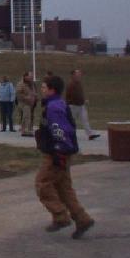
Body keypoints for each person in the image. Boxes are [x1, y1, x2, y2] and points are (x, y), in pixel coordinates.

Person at [35, 74, 95, 239]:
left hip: (56, 153)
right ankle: (82, 219)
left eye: (44, 87)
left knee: (42, 184)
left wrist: (59, 150)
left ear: (52, 90)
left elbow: (60, 129)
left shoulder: (54, 107)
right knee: (64, 189)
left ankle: (60, 216)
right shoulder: (57, 104)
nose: (42, 89)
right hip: (62, 152)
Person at [65, 69, 100, 140]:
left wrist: (83, 100)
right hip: (73, 106)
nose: (79, 76)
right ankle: (68, 134)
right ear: (73, 76)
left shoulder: (79, 84)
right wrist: (83, 101)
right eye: (77, 74)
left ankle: (90, 134)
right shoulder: (71, 85)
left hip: (81, 106)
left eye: (79, 74)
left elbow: (80, 95)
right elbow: (73, 96)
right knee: (71, 121)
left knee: (85, 120)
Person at [16, 72, 37, 136]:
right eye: (30, 76)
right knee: (26, 116)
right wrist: (26, 97)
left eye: (32, 77)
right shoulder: (21, 84)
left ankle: (26, 129)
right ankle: (25, 130)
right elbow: (18, 94)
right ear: (25, 77)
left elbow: (33, 91)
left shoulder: (32, 84)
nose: (31, 78)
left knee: (29, 116)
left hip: (31, 103)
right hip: (24, 103)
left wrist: (35, 96)